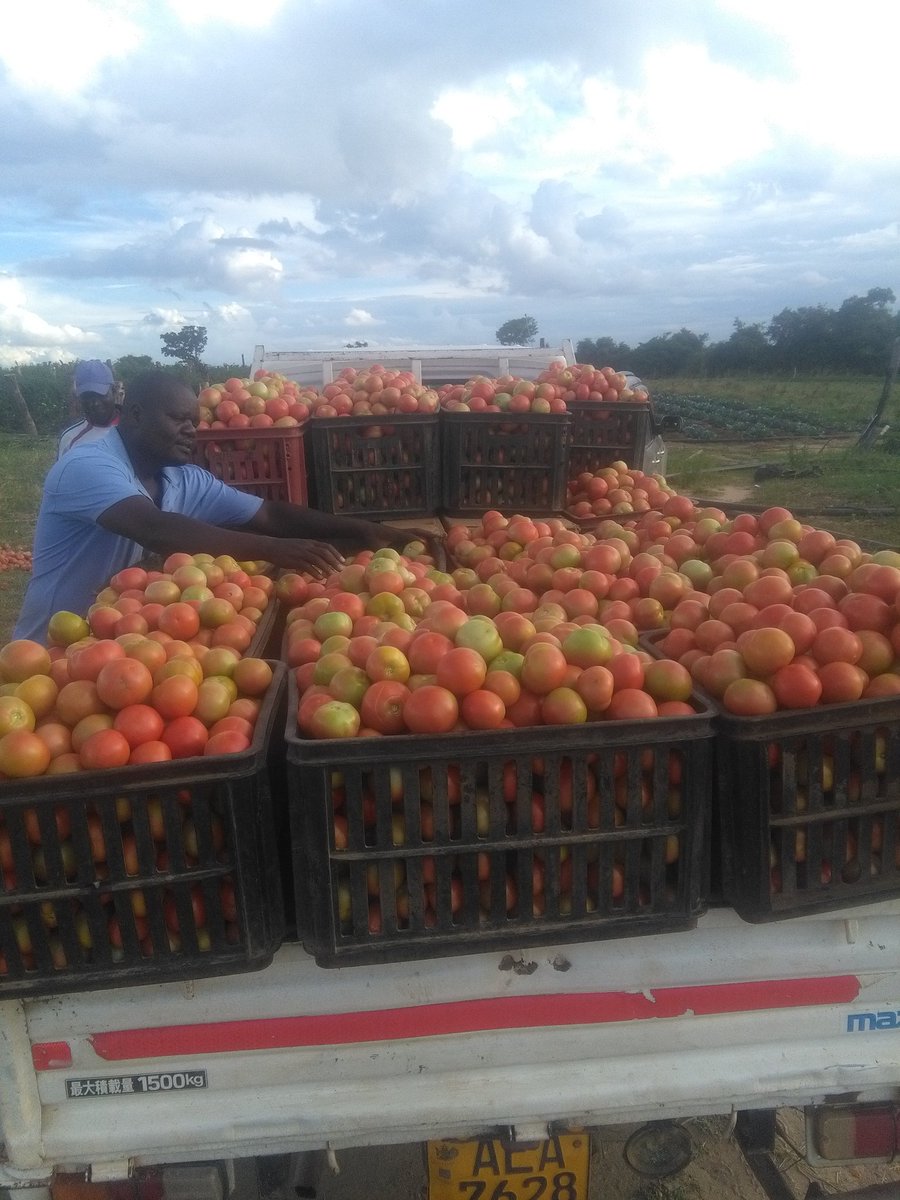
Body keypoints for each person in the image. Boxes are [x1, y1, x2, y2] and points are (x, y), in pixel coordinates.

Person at [16, 370, 435, 643]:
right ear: (137, 415)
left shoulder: (180, 477)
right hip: (52, 652)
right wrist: (275, 551)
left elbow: (269, 514)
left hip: (126, 644)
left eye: (194, 422)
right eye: (178, 419)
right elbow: (157, 529)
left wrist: (367, 531)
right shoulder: (88, 465)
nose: (191, 431)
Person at [57, 360, 124, 458]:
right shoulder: (70, 438)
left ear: (113, 392)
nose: (95, 403)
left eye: (100, 395)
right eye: (87, 397)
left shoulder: (133, 431)